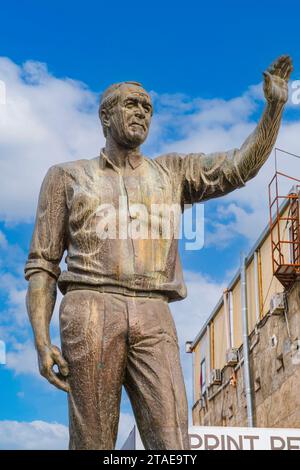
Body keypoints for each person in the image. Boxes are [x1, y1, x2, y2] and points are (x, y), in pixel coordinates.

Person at [25, 56, 293, 449]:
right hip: (90, 305)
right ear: (105, 116)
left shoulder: (172, 172)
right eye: (131, 104)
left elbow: (238, 167)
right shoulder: (66, 176)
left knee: (173, 442)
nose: (141, 113)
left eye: (147, 107)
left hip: (155, 312)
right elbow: (43, 265)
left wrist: (273, 109)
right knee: (93, 441)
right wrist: (39, 337)